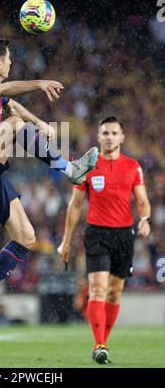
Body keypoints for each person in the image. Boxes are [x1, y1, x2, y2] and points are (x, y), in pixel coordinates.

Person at [0, 38, 98, 331]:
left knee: (26, 237)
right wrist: (39, 83)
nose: (12, 63)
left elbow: (10, 102)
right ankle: (71, 170)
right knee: (14, 126)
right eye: (9, 59)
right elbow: (1, 91)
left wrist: (39, 122)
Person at [58, 117, 151, 364]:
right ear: (98, 137)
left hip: (124, 235)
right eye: (105, 133)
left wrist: (145, 219)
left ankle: (103, 342)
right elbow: (75, 206)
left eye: (114, 133)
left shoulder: (133, 167)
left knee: (114, 293)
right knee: (98, 289)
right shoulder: (88, 165)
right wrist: (66, 240)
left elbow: (142, 201)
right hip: (97, 234)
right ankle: (99, 345)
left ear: (122, 137)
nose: (109, 137)